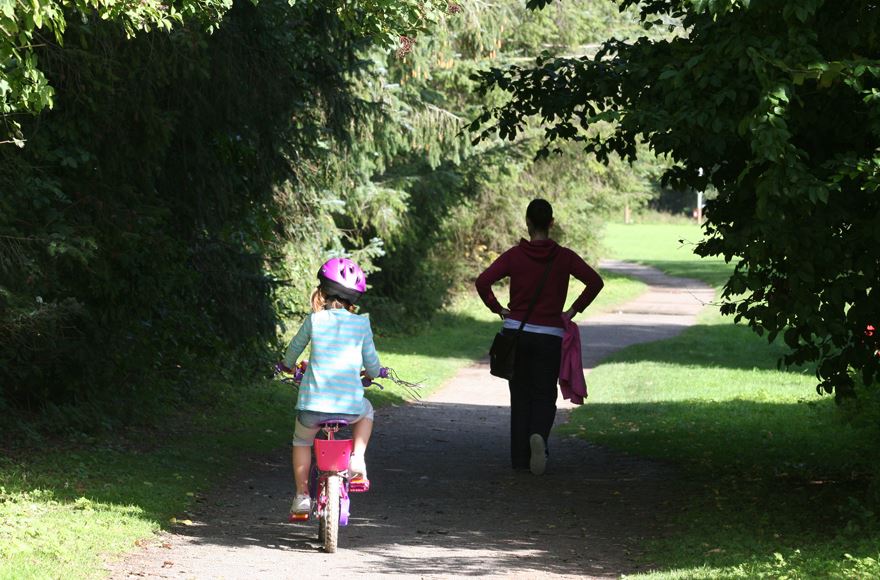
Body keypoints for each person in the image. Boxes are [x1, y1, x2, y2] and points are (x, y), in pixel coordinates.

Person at [475, 199, 604, 475]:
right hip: (550, 336)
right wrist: (571, 311)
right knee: (544, 394)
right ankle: (539, 437)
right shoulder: (565, 257)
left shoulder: (514, 256)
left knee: (520, 395)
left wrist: (498, 309)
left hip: (517, 334)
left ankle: (520, 461)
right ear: (551, 223)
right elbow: (595, 282)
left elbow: (482, 281)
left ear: (527, 222)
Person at [281, 257, 382, 518]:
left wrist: (285, 366)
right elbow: (372, 365)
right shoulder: (361, 324)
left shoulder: (314, 320)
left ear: (322, 291)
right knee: (367, 411)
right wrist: (375, 373)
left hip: (312, 407)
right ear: (354, 299)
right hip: (349, 409)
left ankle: (302, 496)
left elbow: (292, 352)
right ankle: (357, 458)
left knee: (301, 440)